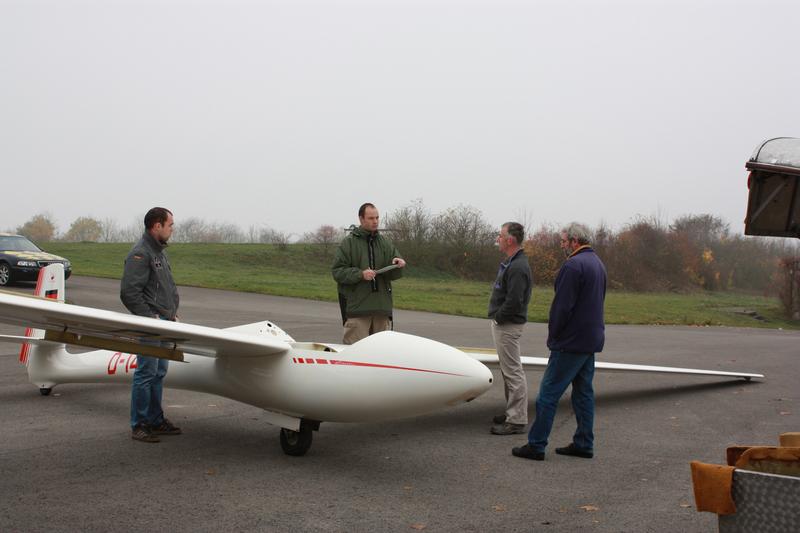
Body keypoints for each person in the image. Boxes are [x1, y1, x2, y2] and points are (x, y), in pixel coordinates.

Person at [512, 222, 607, 460]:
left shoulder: (573, 265)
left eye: (564, 241)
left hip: (570, 342)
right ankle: (584, 442)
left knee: (548, 394)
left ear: (575, 241)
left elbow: (562, 307)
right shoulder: (598, 263)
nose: (562, 245)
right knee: (583, 394)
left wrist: (554, 335)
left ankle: (536, 444)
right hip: (590, 340)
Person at [120, 207, 182, 443]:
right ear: (157, 226)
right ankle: (140, 424)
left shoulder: (159, 253)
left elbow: (164, 288)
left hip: (165, 323)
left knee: (159, 373)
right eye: (170, 225)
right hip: (151, 325)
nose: (172, 229)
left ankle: (156, 420)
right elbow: (129, 292)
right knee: (146, 373)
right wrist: (150, 318)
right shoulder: (141, 253)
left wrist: (172, 315)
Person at [332, 203, 406, 344]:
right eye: (371, 218)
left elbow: (394, 274)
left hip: (382, 310)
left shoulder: (385, 243)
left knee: (383, 353)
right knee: (356, 354)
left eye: (377, 217)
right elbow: (337, 272)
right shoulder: (348, 243)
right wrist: (360, 274)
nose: (375, 221)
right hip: (357, 311)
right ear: (361, 219)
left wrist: (398, 264)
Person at [488, 222, 533, 435]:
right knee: (508, 370)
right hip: (506, 324)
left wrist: (498, 318)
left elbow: (515, 301)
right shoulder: (513, 262)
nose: (498, 239)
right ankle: (511, 412)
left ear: (510, 240)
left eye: (500, 235)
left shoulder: (518, 267)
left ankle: (517, 420)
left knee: (513, 372)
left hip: (508, 325)